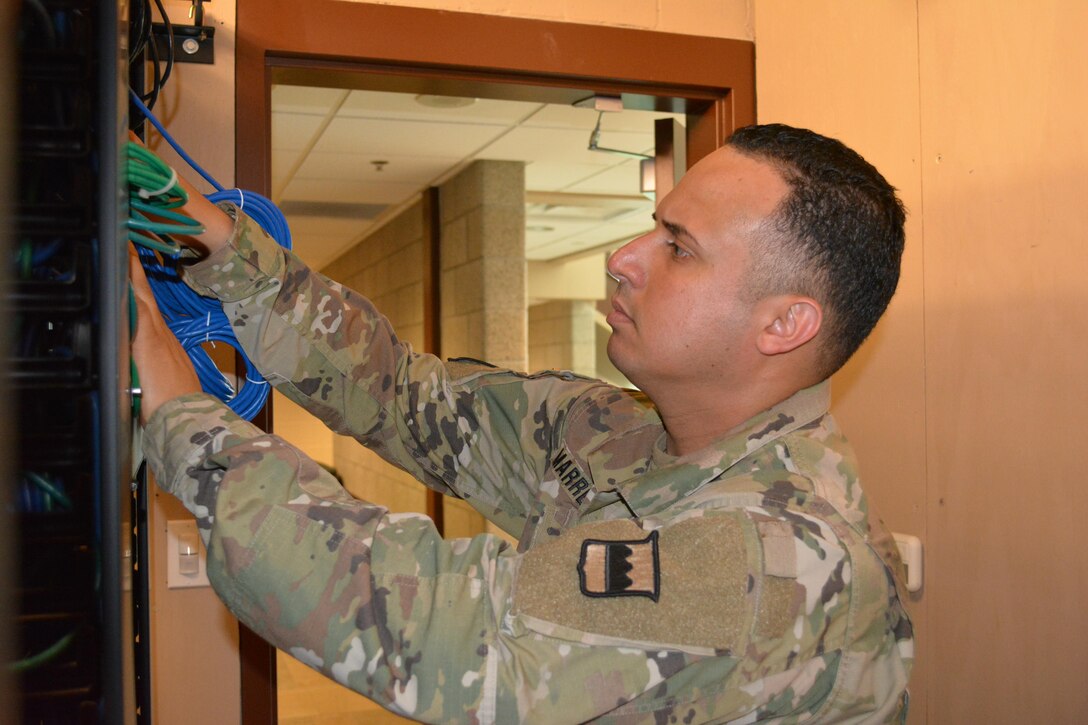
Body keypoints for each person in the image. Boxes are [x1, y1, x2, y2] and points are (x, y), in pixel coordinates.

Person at [133, 123, 914, 723]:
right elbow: (402, 394)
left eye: (678, 248)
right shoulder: (614, 428)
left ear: (786, 324)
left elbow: (445, 628)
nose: (625, 256)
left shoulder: (772, 561)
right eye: (654, 225)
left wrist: (179, 416)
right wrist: (223, 245)